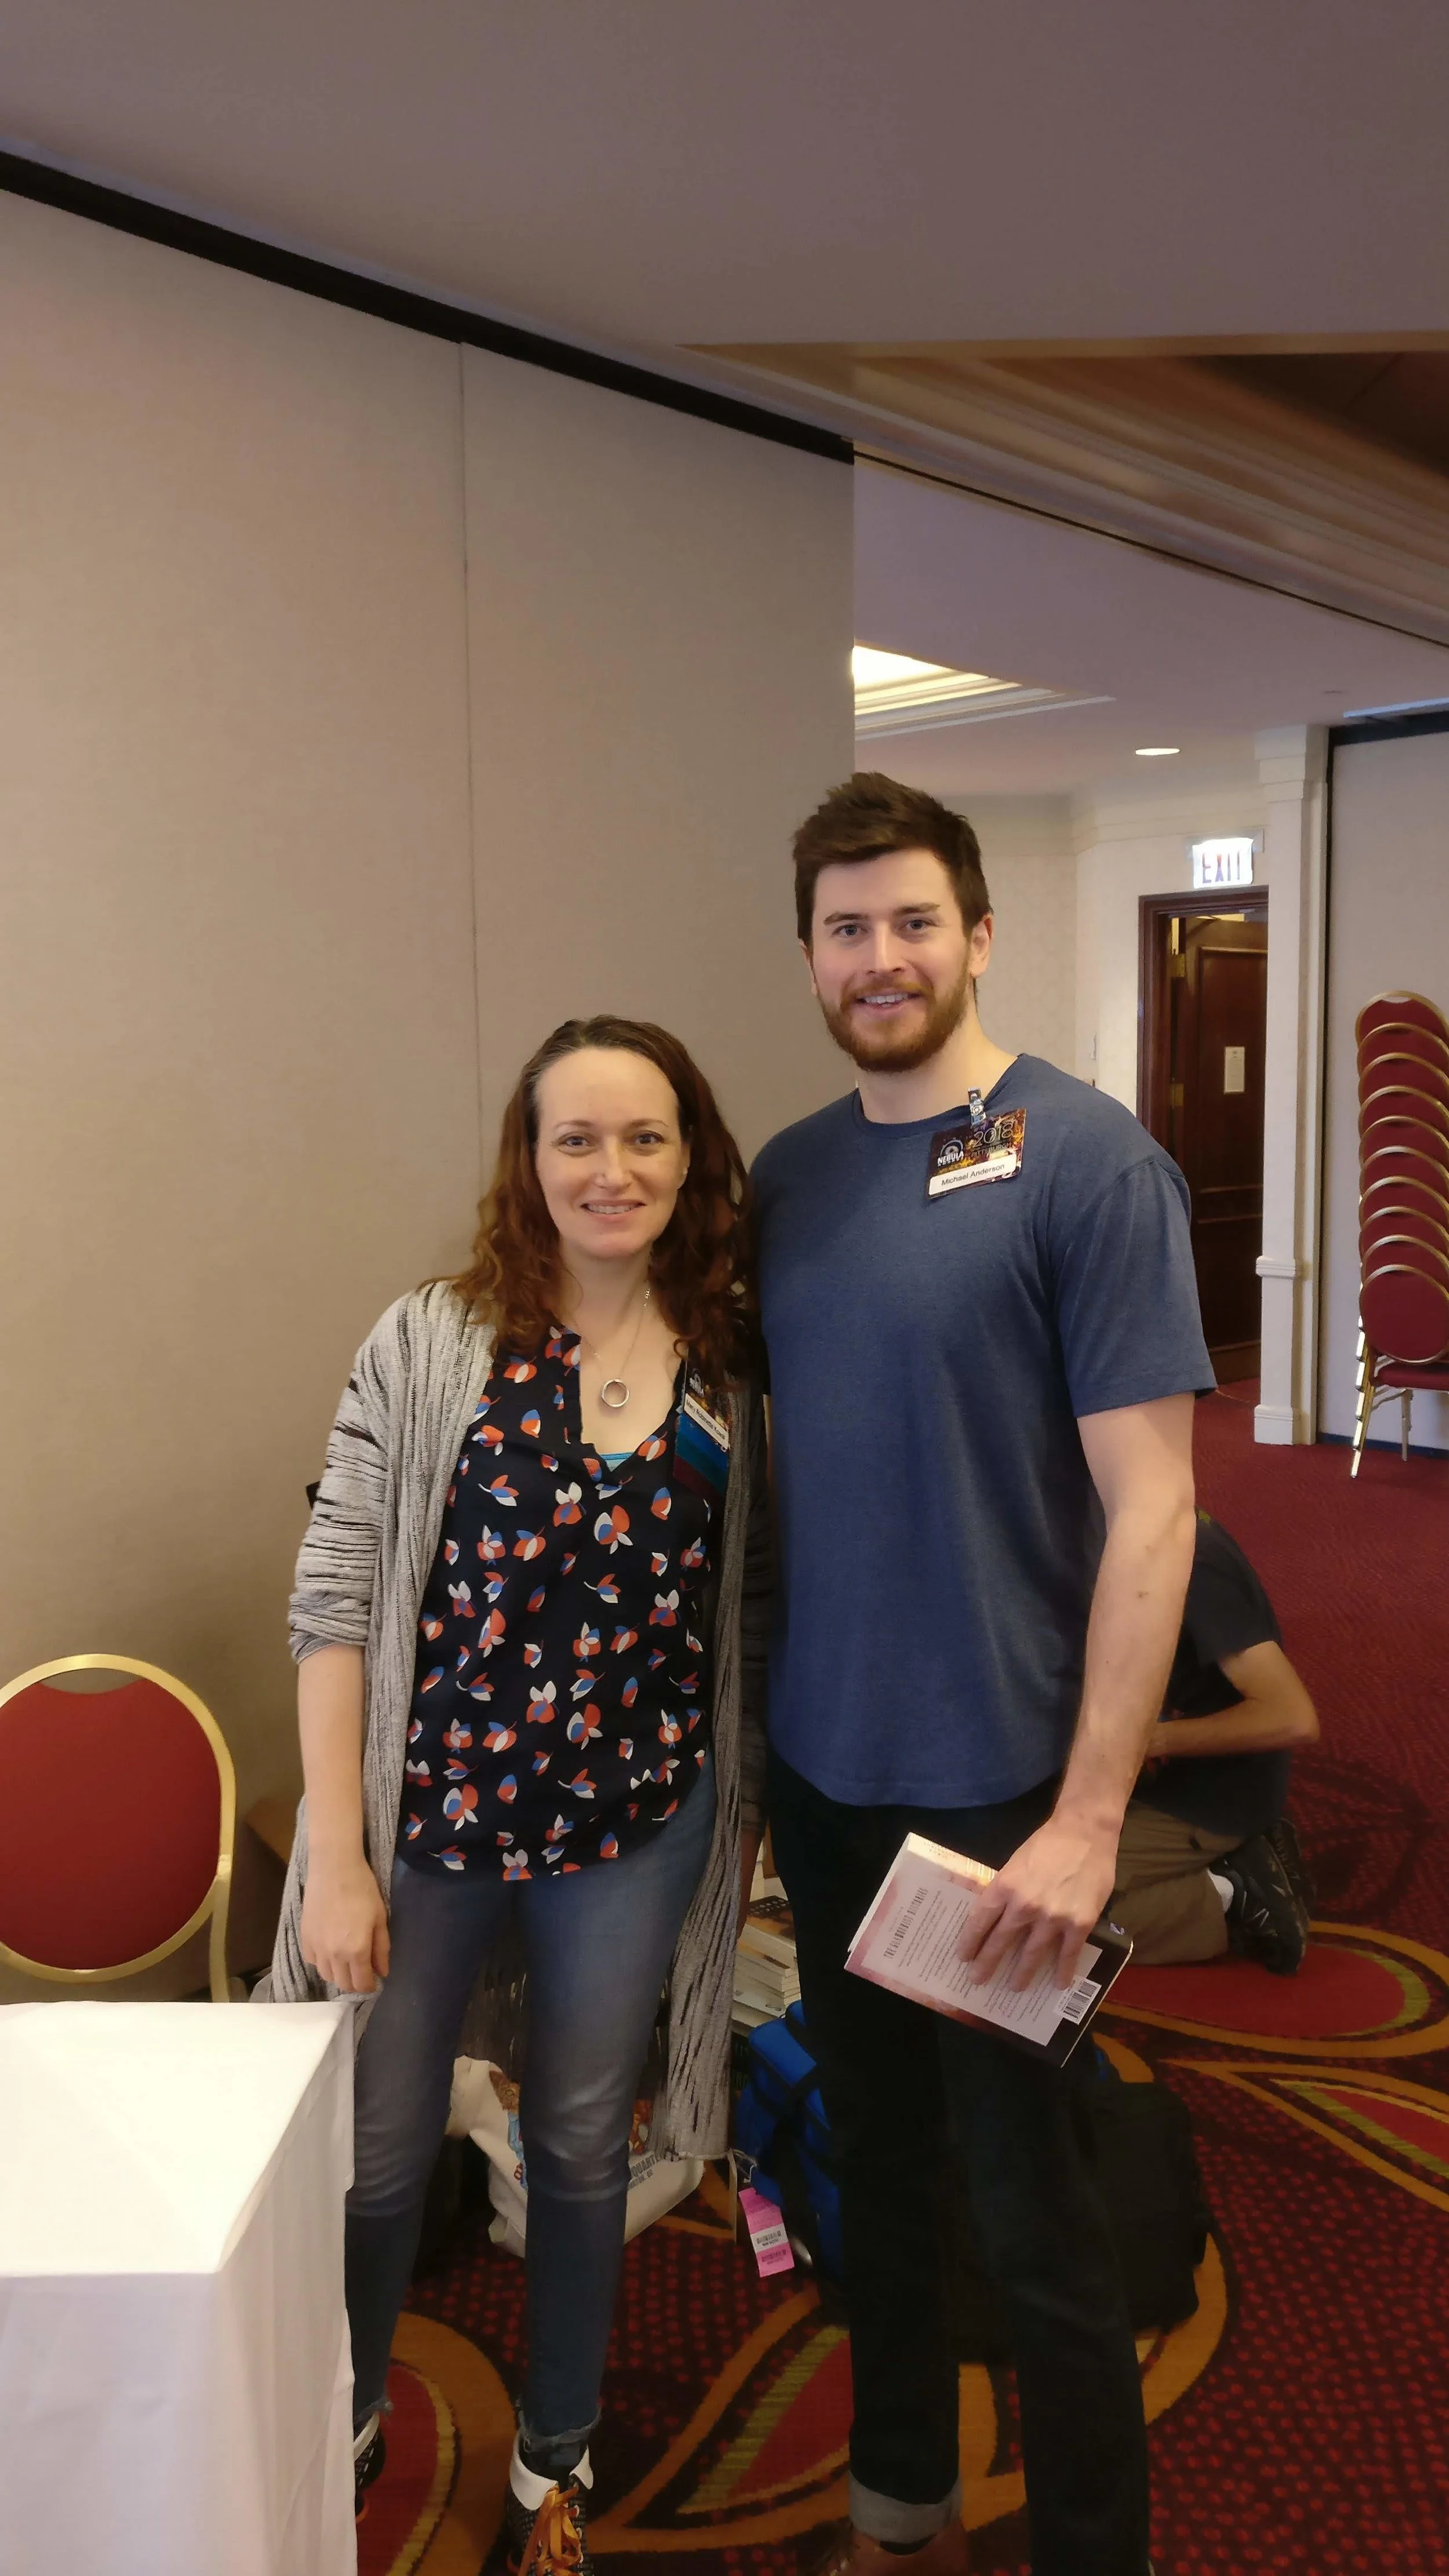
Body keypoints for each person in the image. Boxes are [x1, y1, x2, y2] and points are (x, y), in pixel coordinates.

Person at [752, 773, 1214, 2576]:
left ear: (977, 932)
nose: (881, 958)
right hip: (827, 1769)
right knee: (877, 2174)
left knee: (1033, 2209)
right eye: (847, 928)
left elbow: (1155, 1508)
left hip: (1001, 1795)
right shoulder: (786, 1177)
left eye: (912, 921)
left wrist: (1091, 1817)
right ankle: (895, 2507)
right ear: (807, 953)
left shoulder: (1090, 1160)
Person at [260, 1016, 767, 2573]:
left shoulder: (733, 1368)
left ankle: (556, 2454)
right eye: (575, 1139)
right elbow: (334, 1592)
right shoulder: (433, 1340)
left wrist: (740, 1834)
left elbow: (746, 1619)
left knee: (577, 2152)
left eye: (644, 1138)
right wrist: (333, 1853)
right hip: (431, 1820)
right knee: (383, 2144)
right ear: (526, 1158)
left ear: (690, 1157)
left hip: (630, 1829)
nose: (609, 1170)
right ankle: (346, 2411)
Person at [1111, 1508, 1317, 1972]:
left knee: (1037, 1921)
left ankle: (1229, 1891)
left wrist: (1149, 1741)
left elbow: (1292, 1717)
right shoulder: (1113, 1525)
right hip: (1145, 1777)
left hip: (1208, 1796)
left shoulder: (1190, 1556)